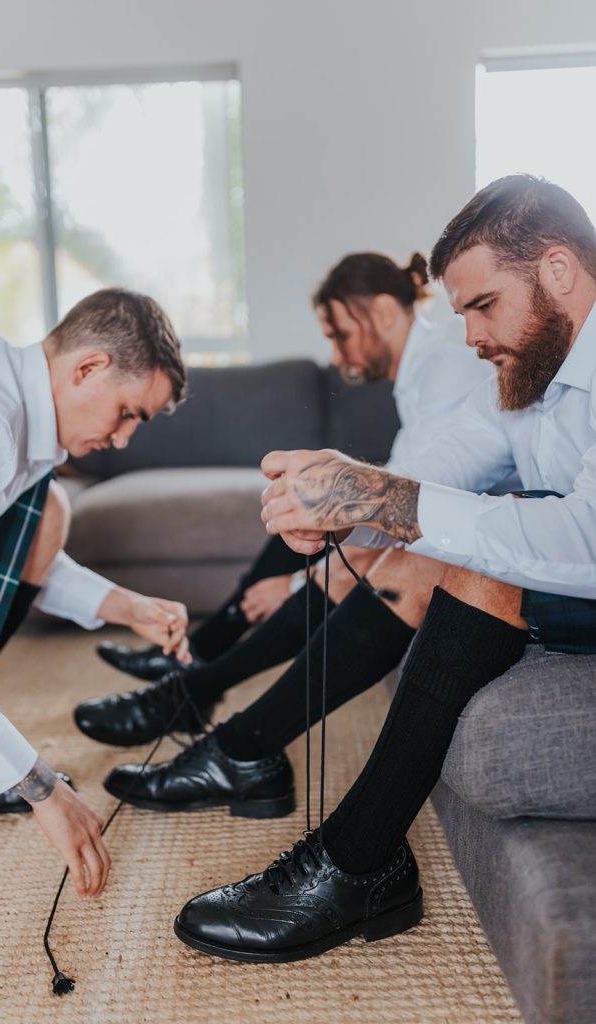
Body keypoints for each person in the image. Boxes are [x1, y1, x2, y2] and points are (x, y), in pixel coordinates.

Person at [165, 174, 596, 963]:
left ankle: (355, 861)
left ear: (558, 271)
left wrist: (383, 501)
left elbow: (587, 536)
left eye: (481, 305)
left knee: (469, 565)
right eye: (460, 312)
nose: (468, 336)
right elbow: (455, 452)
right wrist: (349, 493)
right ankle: (292, 797)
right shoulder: (529, 368)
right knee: (423, 548)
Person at [76, 251, 491, 752]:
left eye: (340, 334)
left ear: (383, 312)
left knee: (330, 543)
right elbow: (405, 489)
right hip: (430, 512)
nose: (337, 358)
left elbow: (417, 500)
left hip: (456, 523)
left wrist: (298, 581)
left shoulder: (444, 364)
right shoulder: (419, 375)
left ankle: (192, 683)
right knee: (307, 506)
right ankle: (196, 664)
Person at [0, 287, 190, 895]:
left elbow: (3, 559)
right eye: (128, 413)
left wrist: (127, 607)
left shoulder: (17, 415)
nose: (123, 439)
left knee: (46, 510)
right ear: (87, 367)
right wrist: (38, 785)